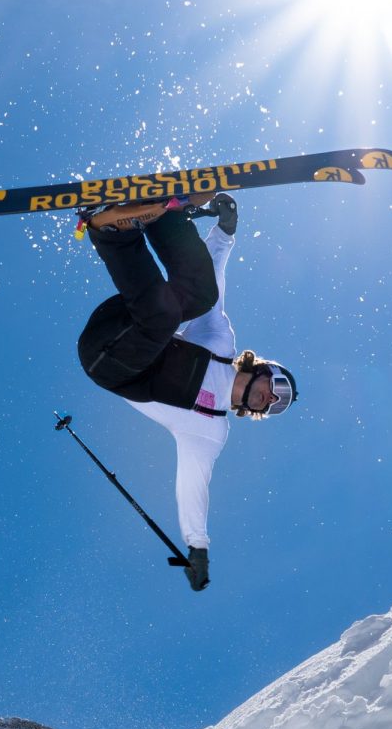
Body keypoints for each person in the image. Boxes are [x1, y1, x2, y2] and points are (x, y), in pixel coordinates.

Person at [77, 192, 297, 590]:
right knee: (201, 296)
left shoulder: (211, 429)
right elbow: (212, 279)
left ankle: (110, 231)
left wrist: (198, 546)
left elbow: (193, 485)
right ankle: (164, 217)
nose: (271, 400)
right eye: (277, 389)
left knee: (163, 317)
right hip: (125, 319)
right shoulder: (220, 344)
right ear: (265, 369)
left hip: (109, 361)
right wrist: (225, 233)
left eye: (276, 408)